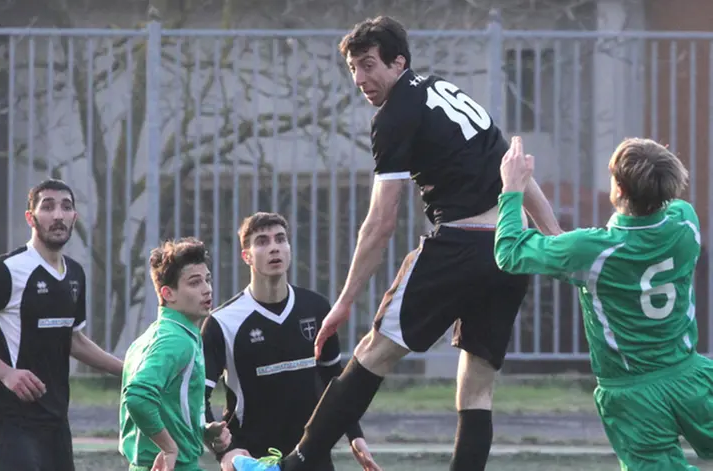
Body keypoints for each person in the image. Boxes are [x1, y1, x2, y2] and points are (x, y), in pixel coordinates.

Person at [232, 16, 562, 471]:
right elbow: (518, 173)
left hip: (460, 247)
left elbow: (381, 221)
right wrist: (559, 244)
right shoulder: (444, 90)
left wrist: (344, 302)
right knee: (477, 385)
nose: (360, 79)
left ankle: (294, 465)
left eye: (369, 65)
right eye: (353, 69)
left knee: (372, 351)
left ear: (399, 62)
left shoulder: (393, 116)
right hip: (510, 249)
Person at [494, 136, 713, 471]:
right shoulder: (685, 221)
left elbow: (509, 253)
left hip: (634, 397)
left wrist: (511, 190)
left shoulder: (593, 251)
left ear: (620, 190)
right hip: (692, 377)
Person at [0, 178, 124, 471]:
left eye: (66, 207)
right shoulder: (5, 271)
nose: (58, 215)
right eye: (47, 206)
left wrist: (128, 371)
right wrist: (6, 373)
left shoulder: (75, 274)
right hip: (6, 415)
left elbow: (74, 340)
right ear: (31, 217)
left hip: (54, 417)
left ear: (74, 217)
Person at [203, 212, 380, 471]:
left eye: (280, 239)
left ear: (289, 249)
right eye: (262, 241)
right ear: (247, 256)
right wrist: (225, 452)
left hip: (311, 455)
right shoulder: (222, 322)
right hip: (252, 459)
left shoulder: (317, 308)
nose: (274, 247)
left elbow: (336, 381)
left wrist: (355, 436)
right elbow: (198, 398)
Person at [120, 237, 231, 471]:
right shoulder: (176, 340)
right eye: (194, 282)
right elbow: (137, 397)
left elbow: (168, 404)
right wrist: (169, 448)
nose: (207, 289)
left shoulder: (155, 336)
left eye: (207, 280)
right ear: (168, 293)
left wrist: (201, 430)